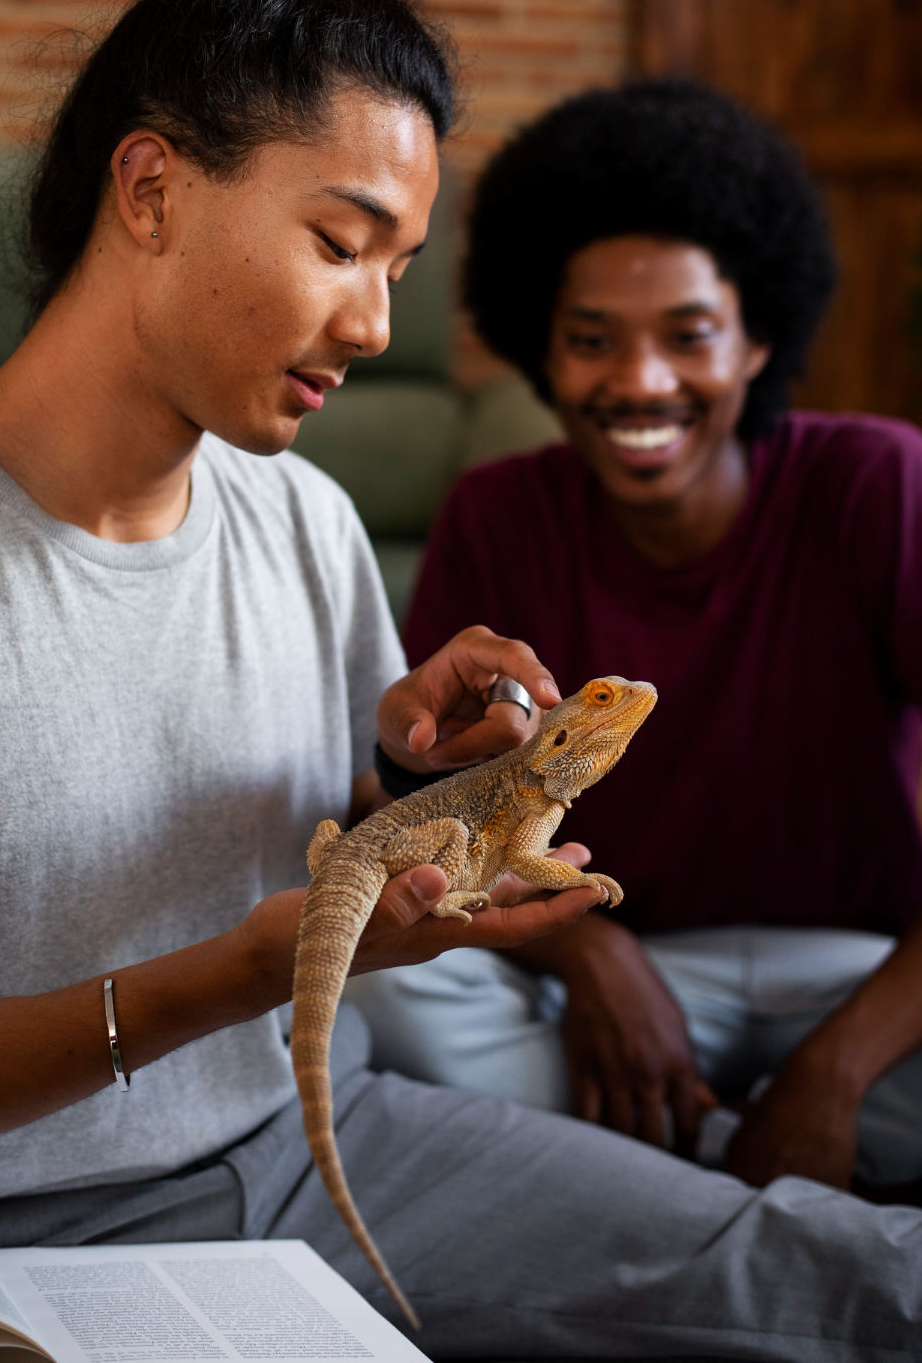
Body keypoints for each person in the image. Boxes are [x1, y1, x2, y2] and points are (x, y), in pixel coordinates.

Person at [0, 0, 921, 1355]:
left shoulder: (304, 519)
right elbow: (254, 947)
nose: (378, 327)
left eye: (397, 268)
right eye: (340, 244)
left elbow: (330, 832)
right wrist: (241, 977)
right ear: (150, 192)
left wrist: (411, 776)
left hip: (305, 1151)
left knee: (852, 1276)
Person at [347, 76, 922, 1204]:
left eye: (688, 335)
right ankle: (735, 1167)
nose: (640, 382)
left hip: (858, 977)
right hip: (609, 970)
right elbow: (420, 818)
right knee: (383, 996)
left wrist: (833, 1073)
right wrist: (587, 951)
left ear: (758, 339)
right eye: (592, 340)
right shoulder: (497, 514)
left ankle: (662, 1172)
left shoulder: (880, 485)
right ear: (540, 353)